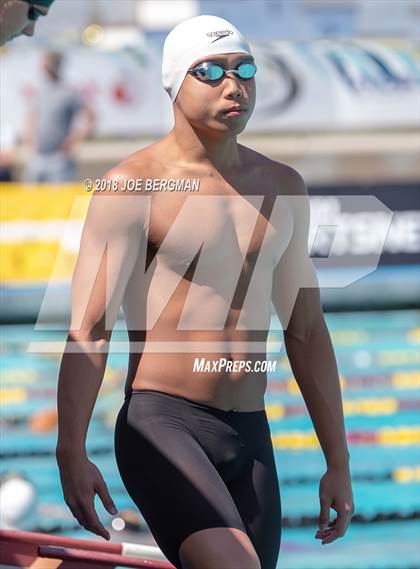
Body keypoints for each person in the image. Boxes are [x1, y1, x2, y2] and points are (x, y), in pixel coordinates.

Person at [56, 14, 354, 569]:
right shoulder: (132, 186)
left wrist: (338, 461)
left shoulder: (282, 186)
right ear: (174, 84)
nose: (232, 84)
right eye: (210, 71)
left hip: (251, 433)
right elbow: (89, 329)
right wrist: (70, 449)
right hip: (163, 424)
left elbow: (306, 329)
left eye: (244, 68)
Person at [22, 50, 95, 183]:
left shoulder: (68, 92)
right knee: (28, 200)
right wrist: (30, 136)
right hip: (38, 156)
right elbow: (31, 116)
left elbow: (90, 116)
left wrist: (75, 139)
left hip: (59, 159)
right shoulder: (40, 91)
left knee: (60, 201)